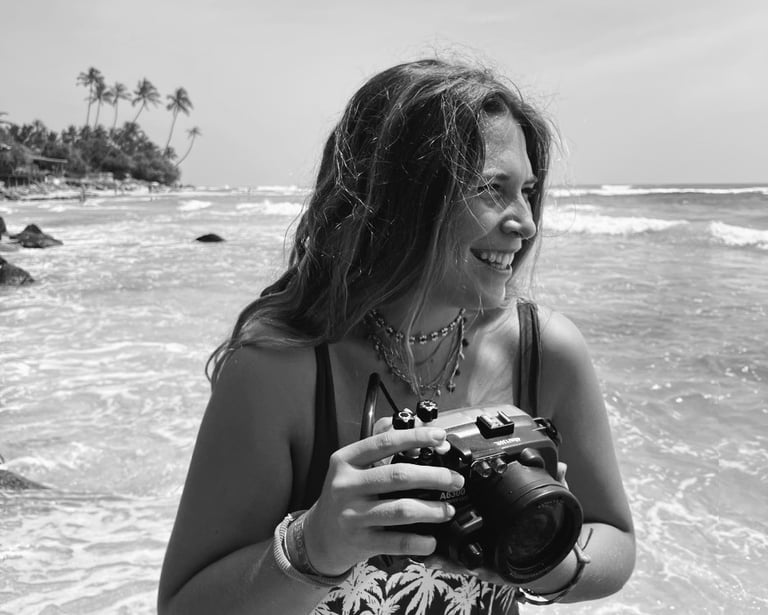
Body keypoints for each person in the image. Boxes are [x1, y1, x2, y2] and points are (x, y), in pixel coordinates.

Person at [158, 58, 635, 615]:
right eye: (490, 188)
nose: (526, 222)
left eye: (528, 191)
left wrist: (547, 560)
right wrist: (314, 546)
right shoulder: (277, 370)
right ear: (397, 198)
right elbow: (183, 606)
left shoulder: (543, 349)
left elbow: (616, 541)